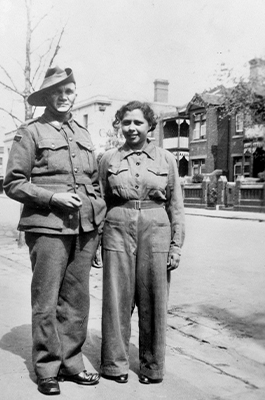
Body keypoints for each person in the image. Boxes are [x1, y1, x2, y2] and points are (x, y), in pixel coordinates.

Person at [3, 66, 106, 395]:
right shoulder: (31, 132)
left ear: (75, 93)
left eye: (69, 91)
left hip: (84, 229)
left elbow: (93, 184)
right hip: (47, 227)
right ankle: (47, 367)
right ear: (47, 96)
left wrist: (98, 233)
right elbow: (14, 183)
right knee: (46, 300)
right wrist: (52, 197)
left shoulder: (84, 134)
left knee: (76, 301)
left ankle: (72, 361)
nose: (63, 97)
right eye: (57, 92)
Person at [99, 101, 185, 384]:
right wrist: (97, 240)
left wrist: (176, 245)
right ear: (119, 125)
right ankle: (115, 365)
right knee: (116, 299)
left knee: (153, 300)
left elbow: (176, 206)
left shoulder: (167, 159)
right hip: (117, 228)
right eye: (126, 123)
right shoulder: (108, 159)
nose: (132, 128)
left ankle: (151, 367)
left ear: (150, 126)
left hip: (155, 228)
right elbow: (100, 201)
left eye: (138, 123)